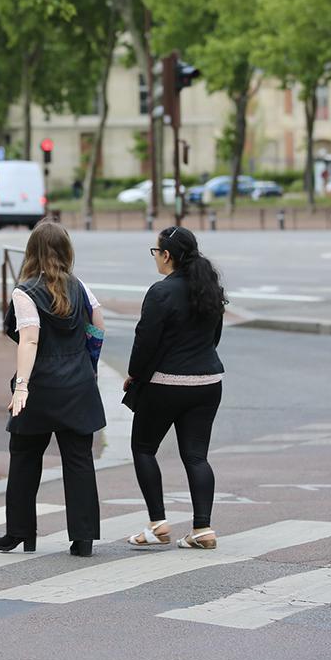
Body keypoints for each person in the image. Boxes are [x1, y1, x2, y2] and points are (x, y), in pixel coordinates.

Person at [0, 222, 106, 558]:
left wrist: (22, 387)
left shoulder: (25, 291)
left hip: (41, 386)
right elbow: (98, 326)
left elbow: (29, 338)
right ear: (66, 251)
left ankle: (20, 532)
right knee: (79, 459)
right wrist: (89, 365)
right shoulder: (80, 287)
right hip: (78, 385)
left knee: (25, 457)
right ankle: (83, 538)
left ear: (31, 252)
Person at [123, 226, 226, 550]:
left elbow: (145, 342)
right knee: (196, 457)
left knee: (143, 448)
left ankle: (158, 524)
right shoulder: (209, 288)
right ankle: (202, 529)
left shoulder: (160, 292)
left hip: (167, 383)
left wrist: (135, 376)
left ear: (167, 255)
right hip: (208, 381)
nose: (156, 258)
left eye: (156, 252)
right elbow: (215, 337)